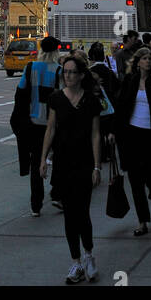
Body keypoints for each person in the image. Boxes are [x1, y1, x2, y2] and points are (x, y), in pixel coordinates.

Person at [40, 53, 102, 282]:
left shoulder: (91, 100)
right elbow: (50, 129)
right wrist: (43, 159)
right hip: (63, 163)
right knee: (69, 216)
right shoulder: (56, 98)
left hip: (85, 162)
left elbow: (96, 134)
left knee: (82, 212)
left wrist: (97, 166)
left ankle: (89, 255)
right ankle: (75, 262)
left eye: (72, 72)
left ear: (81, 75)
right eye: (65, 72)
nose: (68, 76)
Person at [115, 47, 151, 236]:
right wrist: (114, 130)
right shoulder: (130, 80)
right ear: (137, 62)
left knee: (150, 176)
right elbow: (121, 106)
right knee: (135, 181)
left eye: (150, 59)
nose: (148, 62)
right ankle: (142, 221)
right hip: (132, 134)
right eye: (144, 59)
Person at [15, 36, 62, 217]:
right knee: (58, 158)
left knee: (36, 163)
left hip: (33, 123)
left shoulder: (30, 68)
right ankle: (57, 194)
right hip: (53, 123)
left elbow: (19, 95)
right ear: (56, 51)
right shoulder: (58, 71)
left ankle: (36, 204)